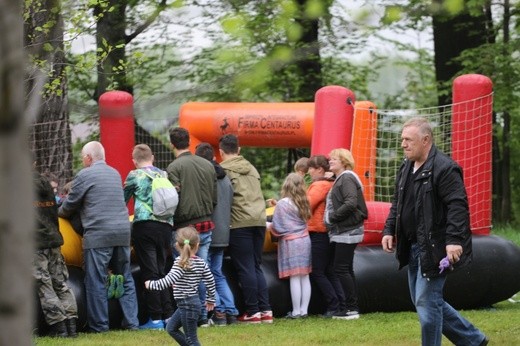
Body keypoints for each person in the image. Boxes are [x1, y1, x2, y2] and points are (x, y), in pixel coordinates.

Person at [381, 117, 489, 346]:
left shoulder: (445, 168)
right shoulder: (406, 167)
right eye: (402, 139)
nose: (403, 144)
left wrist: (454, 240)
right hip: (411, 246)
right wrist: (389, 229)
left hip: (435, 247)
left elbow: (458, 207)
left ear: (426, 140)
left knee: (426, 303)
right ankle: (473, 340)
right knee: (427, 301)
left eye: (408, 140)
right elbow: (397, 204)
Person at [58, 141, 139, 333]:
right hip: (122, 233)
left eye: (82, 158)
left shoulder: (84, 175)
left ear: (88, 158)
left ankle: (100, 326)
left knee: (96, 280)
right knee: (124, 277)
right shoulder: (114, 173)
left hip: (98, 235)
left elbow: (69, 206)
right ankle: (132, 323)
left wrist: (57, 211)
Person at [219, 133, 273, 324]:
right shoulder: (251, 168)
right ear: (239, 149)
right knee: (256, 266)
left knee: (245, 268)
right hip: (259, 220)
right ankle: (265, 310)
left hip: (239, 222)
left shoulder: (222, 170)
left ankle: (252, 311)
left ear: (221, 151)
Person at [167, 127, 217, 326]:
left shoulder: (174, 168)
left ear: (172, 144)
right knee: (203, 272)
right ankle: (204, 317)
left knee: (183, 276)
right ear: (189, 141)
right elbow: (215, 198)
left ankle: (189, 316)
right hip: (206, 225)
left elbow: (172, 200)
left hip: (184, 229)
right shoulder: (208, 165)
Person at [123, 144, 175, 329]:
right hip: (166, 227)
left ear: (134, 160)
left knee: (150, 272)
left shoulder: (134, 175)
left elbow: (123, 199)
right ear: (152, 157)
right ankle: (169, 315)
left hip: (145, 226)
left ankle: (155, 318)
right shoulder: (163, 174)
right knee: (162, 270)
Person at [145, 226, 216, 346]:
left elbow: (168, 280)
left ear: (177, 245)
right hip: (188, 304)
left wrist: (151, 284)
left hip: (188, 304)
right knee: (171, 328)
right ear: (197, 245)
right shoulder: (200, 262)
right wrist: (210, 299)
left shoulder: (180, 262)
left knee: (192, 340)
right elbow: (210, 280)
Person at [195, 143, 239, 326]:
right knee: (217, 273)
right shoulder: (226, 178)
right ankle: (231, 310)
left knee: (205, 274)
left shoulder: (205, 177)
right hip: (223, 232)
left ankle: (218, 310)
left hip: (208, 230)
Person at [34, 170, 78, 337]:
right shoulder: (46, 183)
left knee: (44, 283)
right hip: (54, 240)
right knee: (60, 282)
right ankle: (72, 326)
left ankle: (59, 327)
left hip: (36, 242)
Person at [324, 148, 367, 320]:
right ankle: (351, 308)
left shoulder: (347, 178)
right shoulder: (342, 178)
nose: (330, 161)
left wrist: (332, 218)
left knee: (340, 268)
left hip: (347, 231)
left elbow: (350, 203)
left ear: (344, 161)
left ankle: (351, 308)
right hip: (346, 230)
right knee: (345, 268)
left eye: (334, 159)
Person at [306, 155, 346, 317]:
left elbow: (306, 206)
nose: (309, 172)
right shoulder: (332, 183)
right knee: (330, 270)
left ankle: (333, 304)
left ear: (320, 170)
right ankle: (341, 304)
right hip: (329, 232)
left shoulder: (319, 185)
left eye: (311, 168)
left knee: (317, 271)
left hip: (318, 232)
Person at [268, 173, 312, 319]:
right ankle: (304, 311)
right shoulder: (305, 201)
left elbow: (278, 226)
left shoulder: (283, 203)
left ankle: (296, 311)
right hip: (305, 240)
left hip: (291, 243)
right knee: (304, 276)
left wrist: (267, 225)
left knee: (294, 276)